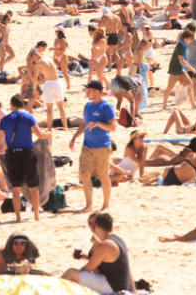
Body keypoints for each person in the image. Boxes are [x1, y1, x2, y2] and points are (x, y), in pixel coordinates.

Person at [0, 94, 52, 222]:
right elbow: (39, 135)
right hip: (27, 154)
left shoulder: (5, 120)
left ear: (12, 105)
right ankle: (36, 216)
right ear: (23, 105)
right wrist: (49, 134)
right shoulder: (29, 117)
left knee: (16, 190)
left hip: (12, 155)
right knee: (33, 187)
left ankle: (18, 217)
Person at [70, 80, 117, 213]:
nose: (87, 92)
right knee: (84, 174)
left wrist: (97, 124)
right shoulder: (88, 106)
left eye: (89, 90)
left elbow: (113, 127)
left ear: (97, 91)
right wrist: (74, 137)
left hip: (103, 146)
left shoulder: (106, 107)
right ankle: (89, 205)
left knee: (103, 176)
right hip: (87, 146)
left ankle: (106, 205)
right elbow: (84, 124)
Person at [63, 211, 134, 295]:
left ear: (96, 227)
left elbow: (86, 269)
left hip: (112, 287)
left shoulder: (105, 245)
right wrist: (133, 289)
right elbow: (126, 266)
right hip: (121, 285)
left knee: (71, 273)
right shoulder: (117, 240)